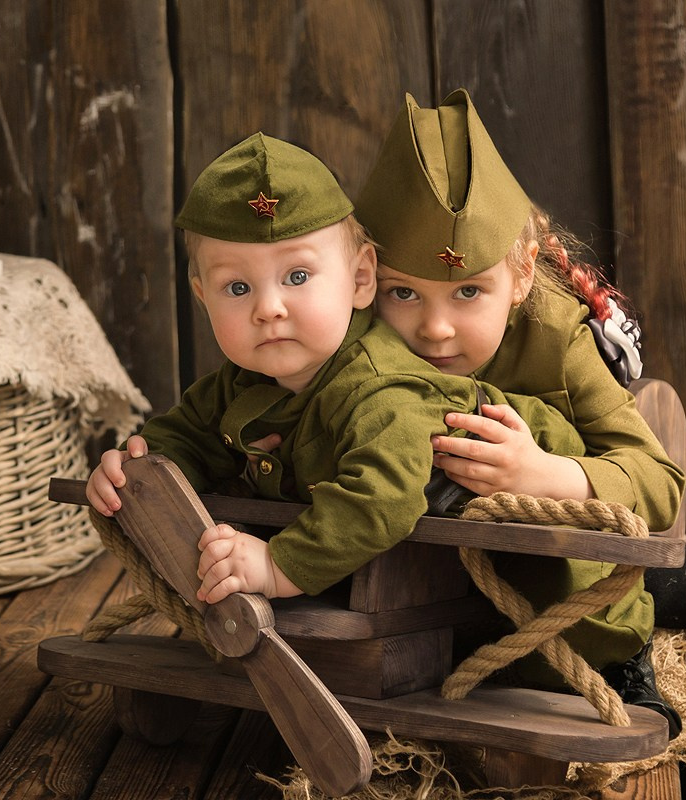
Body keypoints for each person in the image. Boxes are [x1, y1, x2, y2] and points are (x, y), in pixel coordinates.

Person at [353, 89, 686, 698]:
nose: (436, 327)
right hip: (419, 563)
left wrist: (544, 473)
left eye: (468, 292)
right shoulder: (351, 341)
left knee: (626, 578)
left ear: (522, 275)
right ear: (364, 277)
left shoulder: (555, 340)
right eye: (404, 293)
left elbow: (656, 484)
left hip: (566, 553)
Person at [84, 132, 610, 654]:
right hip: (432, 596)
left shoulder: (383, 389)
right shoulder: (244, 382)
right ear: (203, 298)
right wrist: (139, 466)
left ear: (361, 279)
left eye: (296, 276)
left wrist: (277, 565)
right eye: (237, 288)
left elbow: (383, 495)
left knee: (650, 606)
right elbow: (191, 433)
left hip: (558, 595)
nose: (268, 308)